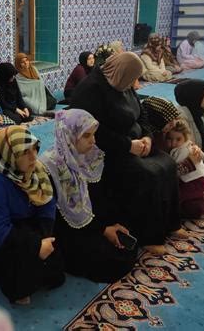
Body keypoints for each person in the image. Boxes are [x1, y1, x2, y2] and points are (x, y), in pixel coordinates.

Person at [70, 52, 187, 255]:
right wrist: (127, 145)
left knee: (167, 163)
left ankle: (171, 223)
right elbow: (91, 132)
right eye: (132, 78)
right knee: (147, 174)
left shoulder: (122, 82)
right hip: (105, 150)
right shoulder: (91, 90)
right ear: (122, 72)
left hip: (135, 143)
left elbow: (141, 114)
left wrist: (148, 137)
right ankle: (149, 236)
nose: (134, 84)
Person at [0, 126, 65, 304]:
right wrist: (35, 246)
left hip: (21, 223)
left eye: (35, 149)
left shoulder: (35, 170)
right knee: (22, 283)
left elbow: (48, 202)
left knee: (56, 268)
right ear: (9, 154)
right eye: (25, 152)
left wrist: (44, 236)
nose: (34, 157)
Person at [41, 109, 137, 282]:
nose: (93, 141)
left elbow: (97, 196)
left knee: (128, 231)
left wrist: (107, 225)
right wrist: (102, 229)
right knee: (113, 260)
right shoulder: (52, 167)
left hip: (88, 219)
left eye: (93, 134)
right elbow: (61, 218)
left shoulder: (88, 156)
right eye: (86, 136)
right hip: (66, 230)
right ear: (70, 135)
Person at [165, 119, 204, 219]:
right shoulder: (181, 147)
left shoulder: (184, 150)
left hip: (196, 183)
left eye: (178, 139)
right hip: (189, 181)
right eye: (170, 139)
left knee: (177, 197)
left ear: (185, 138)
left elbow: (176, 171)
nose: (174, 143)